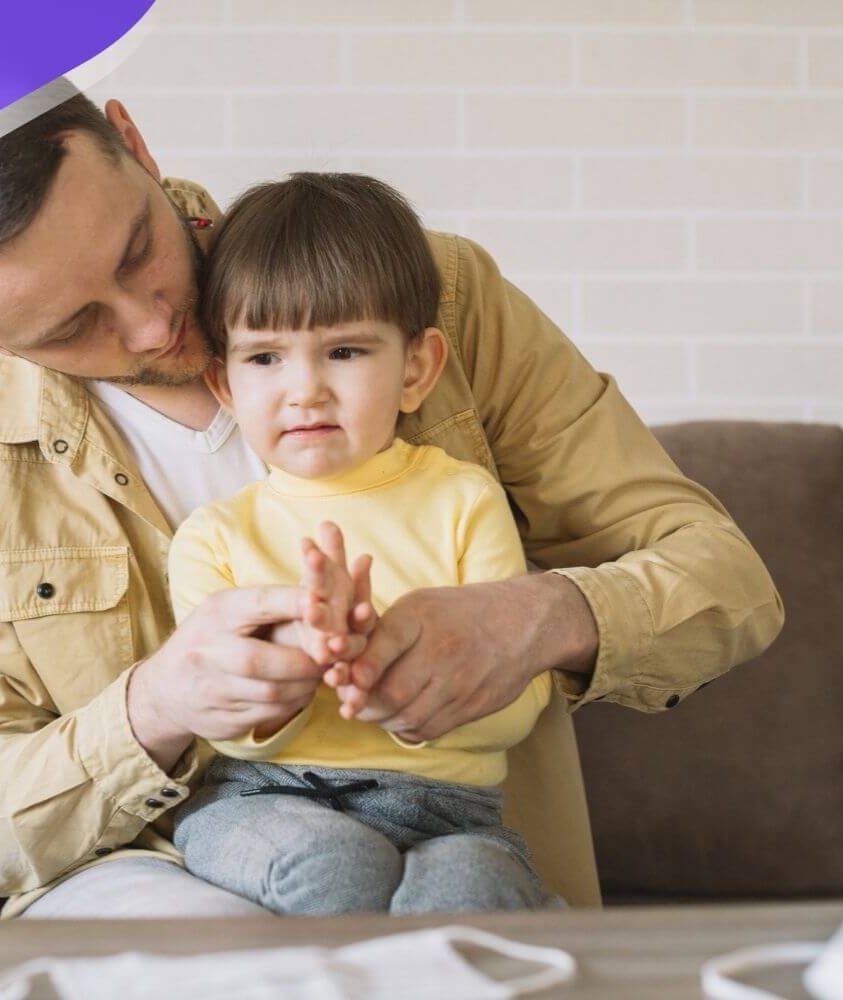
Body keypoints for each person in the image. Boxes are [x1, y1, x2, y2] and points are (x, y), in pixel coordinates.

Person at [0, 82, 784, 918]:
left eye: (138, 251)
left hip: (452, 859)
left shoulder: (434, 294)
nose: (151, 321)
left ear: (134, 141)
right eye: (73, 326)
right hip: (145, 885)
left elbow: (730, 582)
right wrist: (158, 705)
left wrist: (544, 616)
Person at [168, 172, 563, 915]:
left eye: (345, 352)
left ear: (417, 368)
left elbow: (520, 707)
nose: (305, 389)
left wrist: (402, 690)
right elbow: (228, 731)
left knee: (473, 881)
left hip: (448, 808)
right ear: (224, 383)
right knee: (336, 861)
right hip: (264, 799)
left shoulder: (463, 500)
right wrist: (292, 663)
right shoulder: (213, 538)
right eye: (265, 359)